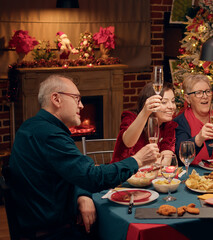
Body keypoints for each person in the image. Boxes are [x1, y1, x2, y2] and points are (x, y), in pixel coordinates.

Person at [8, 75, 159, 239]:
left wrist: (82, 194)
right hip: (53, 233)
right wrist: (137, 160)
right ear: (56, 99)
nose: (81, 105)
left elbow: (72, 172)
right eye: (76, 99)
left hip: (44, 224)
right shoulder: (50, 135)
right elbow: (92, 177)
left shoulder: (32, 126)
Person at [111, 82, 177, 164]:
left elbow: (165, 162)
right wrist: (145, 112)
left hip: (152, 174)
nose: (171, 107)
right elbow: (128, 142)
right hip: (124, 173)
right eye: (164, 102)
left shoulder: (168, 126)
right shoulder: (131, 117)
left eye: (173, 101)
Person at [174, 74, 213, 165]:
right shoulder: (180, 122)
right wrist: (198, 139)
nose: (205, 96)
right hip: (193, 177)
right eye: (198, 93)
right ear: (188, 98)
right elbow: (180, 157)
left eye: (207, 91)